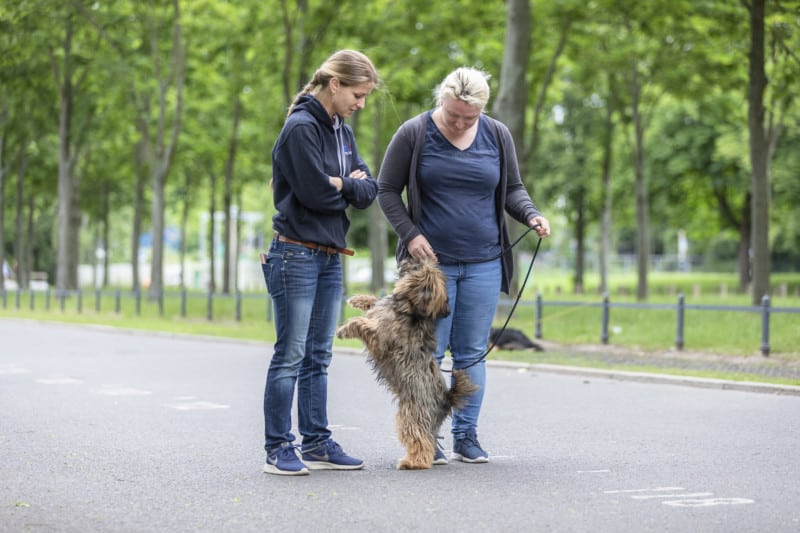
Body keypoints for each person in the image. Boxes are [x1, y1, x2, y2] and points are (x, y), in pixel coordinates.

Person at [378, 67, 551, 464]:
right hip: (428, 272)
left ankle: (466, 434)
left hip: (484, 262)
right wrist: (411, 234)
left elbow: (512, 189)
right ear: (441, 101)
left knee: (472, 352)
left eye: (468, 118)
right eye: (452, 114)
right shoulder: (414, 133)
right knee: (428, 353)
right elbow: (386, 191)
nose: (459, 123)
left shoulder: (497, 135)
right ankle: (427, 437)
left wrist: (531, 215)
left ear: (481, 112)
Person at [261, 49, 379, 476]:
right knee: (291, 354)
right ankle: (278, 448)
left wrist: (340, 183)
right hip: (295, 253)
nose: (360, 103)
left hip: (330, 256)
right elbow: (313, 193)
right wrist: (347, 185)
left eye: (365, 96)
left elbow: (372, 190)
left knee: (318, 356)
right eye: (358, 94)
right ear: (335, 84)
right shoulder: (300, 128)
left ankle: (315, 442)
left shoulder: (341, 132)